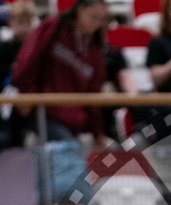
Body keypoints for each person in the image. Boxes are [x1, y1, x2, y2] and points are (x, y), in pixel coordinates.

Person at [11, 0, 110, 144]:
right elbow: (28, 58)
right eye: (93, 16)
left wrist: (97, 131)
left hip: (75, 119)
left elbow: (93, 92)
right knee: (69, 152)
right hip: (45, 112)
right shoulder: (54, 27)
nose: (96, 23)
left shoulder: (95, 48)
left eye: (100, 20)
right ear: (79, 10)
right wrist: (26, 91)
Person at [0, 0, 38, 89]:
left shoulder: (36, 46)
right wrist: (10, 70)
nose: (24, 28)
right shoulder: (5, 45)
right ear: (10, 23)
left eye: (28, 23)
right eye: (20, 22)